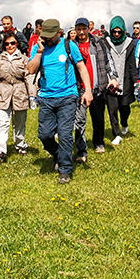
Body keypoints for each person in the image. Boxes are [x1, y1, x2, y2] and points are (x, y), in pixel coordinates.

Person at [27, 19, 93, 185]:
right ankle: (58, 154)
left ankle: (65, 169)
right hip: (46, 97)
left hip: (68, 97)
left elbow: (81, 67)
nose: (48, 39)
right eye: (45, 36)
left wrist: (88, 91)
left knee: (65, 134)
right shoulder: (39, 47)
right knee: (44, 134)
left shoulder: (69, 46)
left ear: (59, 33)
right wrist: (39, 52)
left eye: (51, 36)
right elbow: (30, 69)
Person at [72, 17, 120, 155]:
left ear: (89, 29)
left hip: (98, 87)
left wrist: (113, 77)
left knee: (98, 118)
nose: (81, 32)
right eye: (79, 29)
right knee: (79, 120)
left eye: (84, 29)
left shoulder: (99, 43)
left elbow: (108, 61)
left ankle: (99, 142)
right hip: (79, 88)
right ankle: (81, 148)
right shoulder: (71, 45)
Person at [0, 32, 32, 162]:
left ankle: (20, 144)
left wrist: (32, 95)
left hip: (20, 92)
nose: (10, 46)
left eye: (12, 43)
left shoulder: (24, 59)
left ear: (17, 44)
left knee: (19, 122)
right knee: (2, 122)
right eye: (7, 44)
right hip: (2, 92)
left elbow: (29, 78)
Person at [105, 16, 138, 142]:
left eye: (119, 32)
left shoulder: (129, 43)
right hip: (110, 81)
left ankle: (124, 122)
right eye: (114, 32)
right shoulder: (106, 42)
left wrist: (136, 80)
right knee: (112, 109)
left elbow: (132, 63)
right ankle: (117, 134)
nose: (117, 34)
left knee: (124, 107)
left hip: (126, 80)